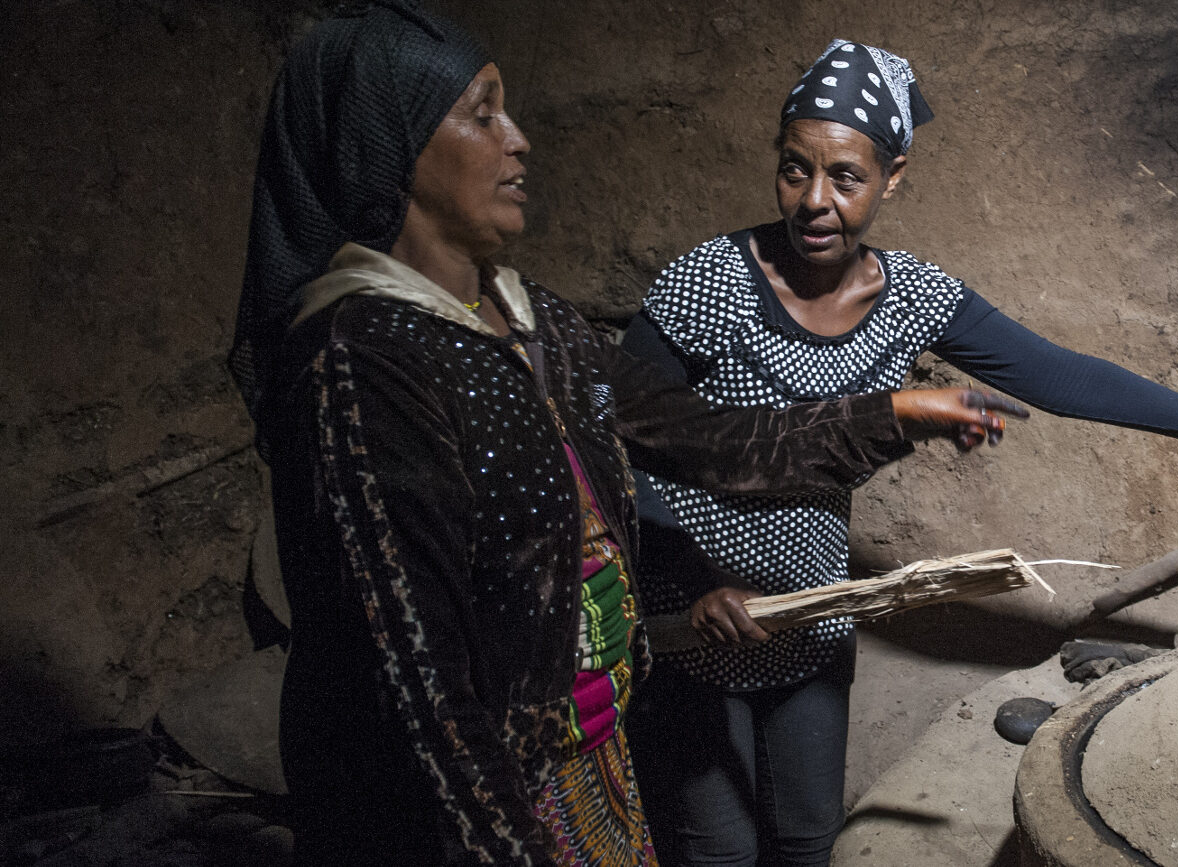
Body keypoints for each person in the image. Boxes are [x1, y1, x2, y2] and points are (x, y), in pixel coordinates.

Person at [229, 7, 1023, 865]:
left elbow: (710, 438)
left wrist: (892, 415)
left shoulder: (532, 321)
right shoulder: (364, 364)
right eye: (483, 113)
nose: (520, 140)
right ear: (388, 142)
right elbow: (419, 688)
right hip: (478, 817)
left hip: (586, 762)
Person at [619, 39, 1178, 866]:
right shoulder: (710, 281)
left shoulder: (913, 298)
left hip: (815, 609)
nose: (814, 201)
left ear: (894, 176)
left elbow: (1059, 374)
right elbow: (629, 440)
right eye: (794, 170)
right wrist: (689, 576)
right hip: (696, 611)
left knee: (804, 837)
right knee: (712, 844)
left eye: (847, 178)